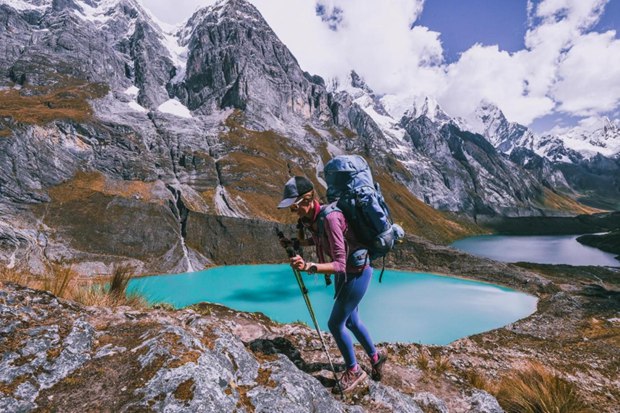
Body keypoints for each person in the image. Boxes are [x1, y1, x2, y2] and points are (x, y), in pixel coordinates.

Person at [277, 176, 387, 394]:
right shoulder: (316, 217)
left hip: (356, 272)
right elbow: (322, 240)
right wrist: (296, 243)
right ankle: (376, 358)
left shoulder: (330, 218)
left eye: (294, 207)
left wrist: (308, 266)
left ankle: (354, 371)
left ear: (305, 201)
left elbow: (338, 264)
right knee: (353, 321)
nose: (293, 212)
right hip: (351, 272)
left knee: (336, 324)